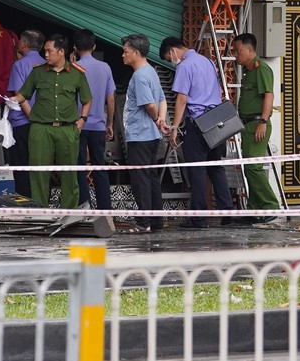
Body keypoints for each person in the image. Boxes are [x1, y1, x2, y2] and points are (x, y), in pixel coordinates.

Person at [10, 35, 92, 210]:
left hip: (67, 129)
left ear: (61, 52)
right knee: (38, 172)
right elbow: (23, 94)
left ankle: (69, 211)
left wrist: (83, 120)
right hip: (41, 129)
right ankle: (41, 210)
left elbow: (87, 99)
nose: (46, 55)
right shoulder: (38, 72)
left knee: (69, 173)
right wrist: (13, 100)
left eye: (49, 51)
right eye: (45, 51)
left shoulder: (76, 73)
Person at [161, 36, 234, 228]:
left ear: (172, 51)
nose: (172, 61)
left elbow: (181, 99)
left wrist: (174, 128)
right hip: (216, 120)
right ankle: (227, 211)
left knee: (197, 170)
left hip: (197, 123)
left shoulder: (184, 66)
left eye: (169, 58)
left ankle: (198, 217)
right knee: (216, 167)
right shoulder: (208, 61)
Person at [118, 35, 167, 232]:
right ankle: (156, 221)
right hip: (152, 135)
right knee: (151, 177)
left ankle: (143, 222)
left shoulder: (139, 76)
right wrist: (160, 120)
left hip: (140, 135)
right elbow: (162, 99)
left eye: (126, 51)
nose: (123, 55)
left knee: (141, 180)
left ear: (136, 53)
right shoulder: (151, 71)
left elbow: (149, 105)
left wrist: (156, 119)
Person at [233, 33, 282, 218]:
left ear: (249, 49)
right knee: (249, 167)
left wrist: (263, 121)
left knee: (253, 167)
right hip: (248, 125)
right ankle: (254, 209)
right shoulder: (249, 71)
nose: (235, 55)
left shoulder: (261, 68)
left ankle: (270, 205)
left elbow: (269, 95)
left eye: (238, 51)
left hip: (257, 124)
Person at [71, 32, 117, 213]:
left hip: (78, 125)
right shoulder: (105, 67)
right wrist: (109, 123)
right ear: (94, 47)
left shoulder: (73, 68)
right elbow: (111, 99)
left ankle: (85, 207)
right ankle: (105, 210)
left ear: (75, 48)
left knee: (79, 167)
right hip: (98, 125)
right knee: (100, 167)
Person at [3, 28, 44, 198]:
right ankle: (40, 200)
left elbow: (20, 96)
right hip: (43, 124)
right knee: (39, 165)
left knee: (21, 165)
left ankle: (25, 201)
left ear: (25, 43)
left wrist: (32, 117)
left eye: (20, 40)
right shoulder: (47, 65)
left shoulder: (19, 65)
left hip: (22, 123)